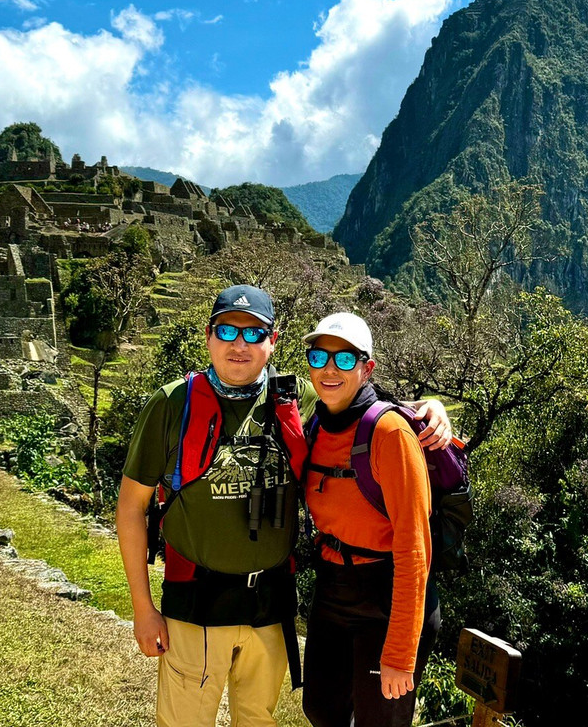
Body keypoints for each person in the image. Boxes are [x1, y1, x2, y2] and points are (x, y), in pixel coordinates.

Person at [117, 286, 451, 727]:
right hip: (196, 604)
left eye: (253, 333)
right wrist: (143, 609)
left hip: (271, 608)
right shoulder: (172, 403)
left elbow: (361, 408)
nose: (240, 345)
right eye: (227, 331)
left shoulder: (293, 401)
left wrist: (428, 410)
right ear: (208, 336)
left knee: (260, 719)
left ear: (272, 340)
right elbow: (130, 509)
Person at [300, 312, 440, 727]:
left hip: (386, 596)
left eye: (344, 360)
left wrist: (399, 654)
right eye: (319, 356)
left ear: (367, 368)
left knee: (380, 721)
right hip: (333, 590)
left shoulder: (390, 434)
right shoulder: (316, 423)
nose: (329, 369)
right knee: (321, 710)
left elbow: (415, 550)